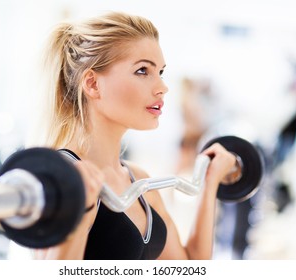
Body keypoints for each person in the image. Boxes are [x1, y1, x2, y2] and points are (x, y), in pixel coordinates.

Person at [31, 11, 236, 260]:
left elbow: (190, 266)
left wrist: (210, 184)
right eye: (142, 71)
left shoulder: (140, 182)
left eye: (160, 72)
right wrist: (80, 207)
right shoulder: (63, 178)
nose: (162, 87)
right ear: (93, 84)